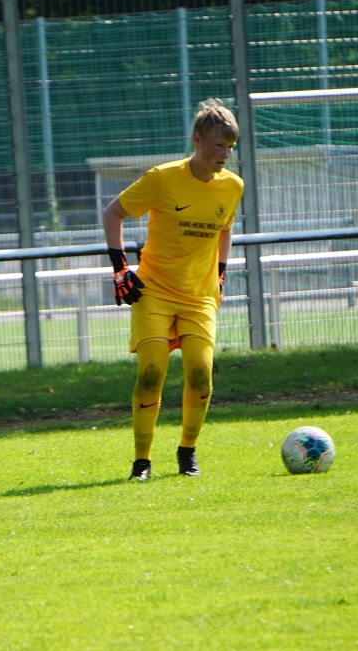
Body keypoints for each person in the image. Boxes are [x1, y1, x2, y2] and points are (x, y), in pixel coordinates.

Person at [102, 98, 244, 481]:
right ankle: (142, 462)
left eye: (230, 147)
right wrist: (120, 269)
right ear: (197, 140)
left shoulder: (233, 186)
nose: (225, 154)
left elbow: (225, 229)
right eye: (218, 145)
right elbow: (113, 212)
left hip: (199, 296)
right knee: (151, 372)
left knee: (200, 373)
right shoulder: (162, 178)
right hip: (154, 291)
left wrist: (220, 274)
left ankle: (187, 452)